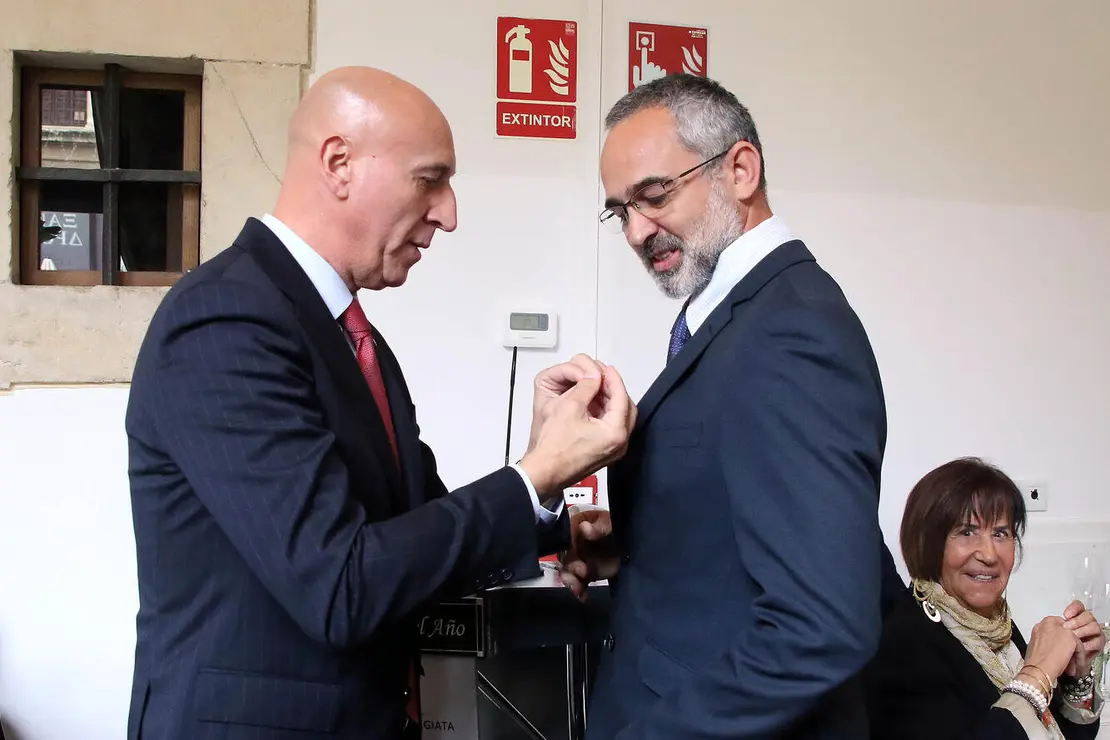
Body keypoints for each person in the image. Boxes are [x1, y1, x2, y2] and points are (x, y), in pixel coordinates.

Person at [123, 66, 636, 740]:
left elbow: (411, 534)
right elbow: (341, 588)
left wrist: (551, 518)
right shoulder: (224, 322)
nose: (449, 214)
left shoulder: (353, 339)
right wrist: (534, 475)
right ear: (339, 163)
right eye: (431, 179)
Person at [559, 73, 894, 738]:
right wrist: (623, 546)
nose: (634, 231)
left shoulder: (793, 333)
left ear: (740, 168)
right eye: (619, 210)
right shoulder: (736, 321)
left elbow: (822, 627)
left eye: (653, 197)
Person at [866, 457, 1105, 739]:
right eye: (967, 532)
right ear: (928, 542)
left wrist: (1077, 678)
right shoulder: (905, 642)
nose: (989, 554)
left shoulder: (994, 624)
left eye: (1001, 533)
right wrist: (1036, 675)